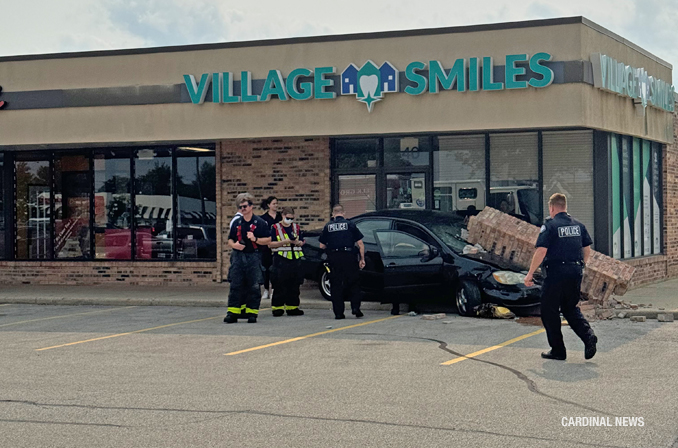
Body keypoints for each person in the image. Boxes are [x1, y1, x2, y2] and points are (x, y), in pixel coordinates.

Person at [524, 193, 597, 361]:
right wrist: (582, 265)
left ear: (552, 208)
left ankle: (558, 350)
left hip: (556, 273)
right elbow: (586, 248)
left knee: (549, 311)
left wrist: (529, 274)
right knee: (570, 308)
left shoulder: (550, 225)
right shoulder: (578, 225)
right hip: (575, 271)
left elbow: (541, 251)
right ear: (565, 206)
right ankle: (588, 336)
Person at [224, 193, 272, 324]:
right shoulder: (237, 222)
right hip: (238, 256)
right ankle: (233, 313)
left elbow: (268, 239)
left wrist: (255, 239)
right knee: (235, 284)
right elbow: (230, 239)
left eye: (244, 206)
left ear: (251, 206)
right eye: (240, 207)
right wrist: (234, 245)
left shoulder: (260, 223)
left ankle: (252, 313)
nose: (242, 209)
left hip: (254, 256)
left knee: (254, 285)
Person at [318, 204, 366, 319]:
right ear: (343, 213)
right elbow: (360, 244)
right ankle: (355, 308)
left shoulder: (328, 226)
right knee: (354, 283)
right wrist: (362, 259)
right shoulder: (350, 225)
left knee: (336, 285)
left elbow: (321, 246)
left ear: (333, 214)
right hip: (349, 256)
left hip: (334, 258)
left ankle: (339, 313)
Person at [268, 207, 305, 316]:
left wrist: (299, 243)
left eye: (292, 218)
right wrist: (285, 242)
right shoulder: (275, 228)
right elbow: (270, 244)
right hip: (281, 260)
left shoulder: (296, 227)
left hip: (295, 260)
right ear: (283, 216)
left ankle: (292, 307)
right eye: (288, 218)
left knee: (294, 285)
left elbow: (302, 241)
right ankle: (277, 308)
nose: (290, 220)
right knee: (279, 285)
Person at [259, 196, 282, 300]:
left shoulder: (280, 217)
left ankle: (274, 289)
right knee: (266, 269)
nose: (276, 205)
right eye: (274, 204)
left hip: (278, 246)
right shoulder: (263, 219)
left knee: (276, 269)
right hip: (266, 247)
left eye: (277, 203)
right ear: (268, 205)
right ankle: (266, 289)